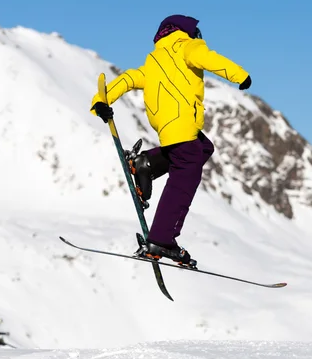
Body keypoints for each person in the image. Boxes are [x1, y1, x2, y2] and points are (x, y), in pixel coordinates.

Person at [91, 15, 251, 265]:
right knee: (184, 178)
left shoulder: (155, 59)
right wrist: (240, 75)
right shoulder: (188, 46)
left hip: (167, 126)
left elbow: (130, 78)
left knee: (203, 147)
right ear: (186, 32)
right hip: (182, 122)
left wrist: (101, 101)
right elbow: (211, 59)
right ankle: (162, 238)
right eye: (196, 31)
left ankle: (147, 163)